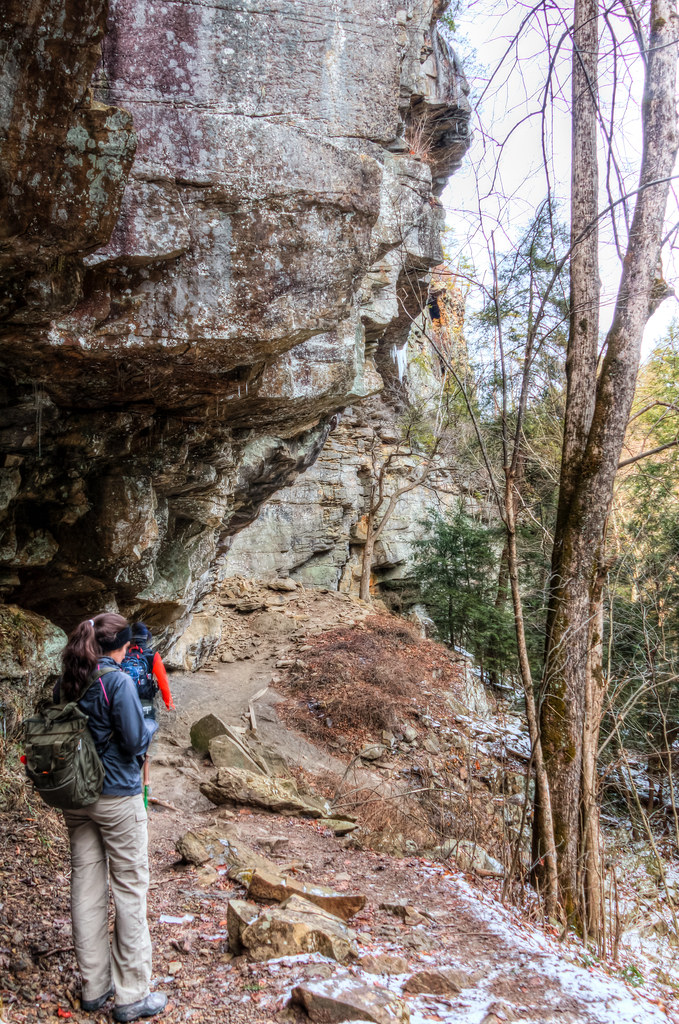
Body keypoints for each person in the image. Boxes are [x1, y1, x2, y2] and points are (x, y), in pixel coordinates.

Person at [58, 612, 167, 1022]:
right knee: (129, 887)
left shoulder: (68, 678)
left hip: (75, 796)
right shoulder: (116, 680)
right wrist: (150, 723)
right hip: (116, 796)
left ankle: (94, 986)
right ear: (118, 646)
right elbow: (135, 738)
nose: (127, 653)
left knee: (85, 882)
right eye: (125, 646)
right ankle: (132, 995)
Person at [122, 622, 175, 720]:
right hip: (144, 699)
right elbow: (162, 680)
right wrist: (168, 702)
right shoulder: (152, 656)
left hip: (124, 698)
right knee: (146, 725)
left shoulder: (123, 654)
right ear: (146, 638)